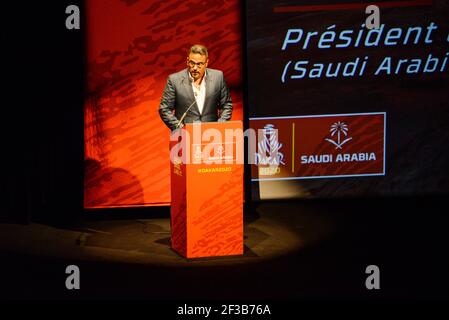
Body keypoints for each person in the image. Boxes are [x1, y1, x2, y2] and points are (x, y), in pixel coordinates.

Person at [159, 44, 233, 131]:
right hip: (184, 137)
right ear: (187, 61)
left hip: (211, 135)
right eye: (192, 63)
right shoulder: (174, 80)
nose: (194, 68)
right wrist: (180, 129)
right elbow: (164, 109)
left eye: (199, 64)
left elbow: (226, 105)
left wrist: (219, 126)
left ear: (206, 63)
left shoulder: (218, 77)